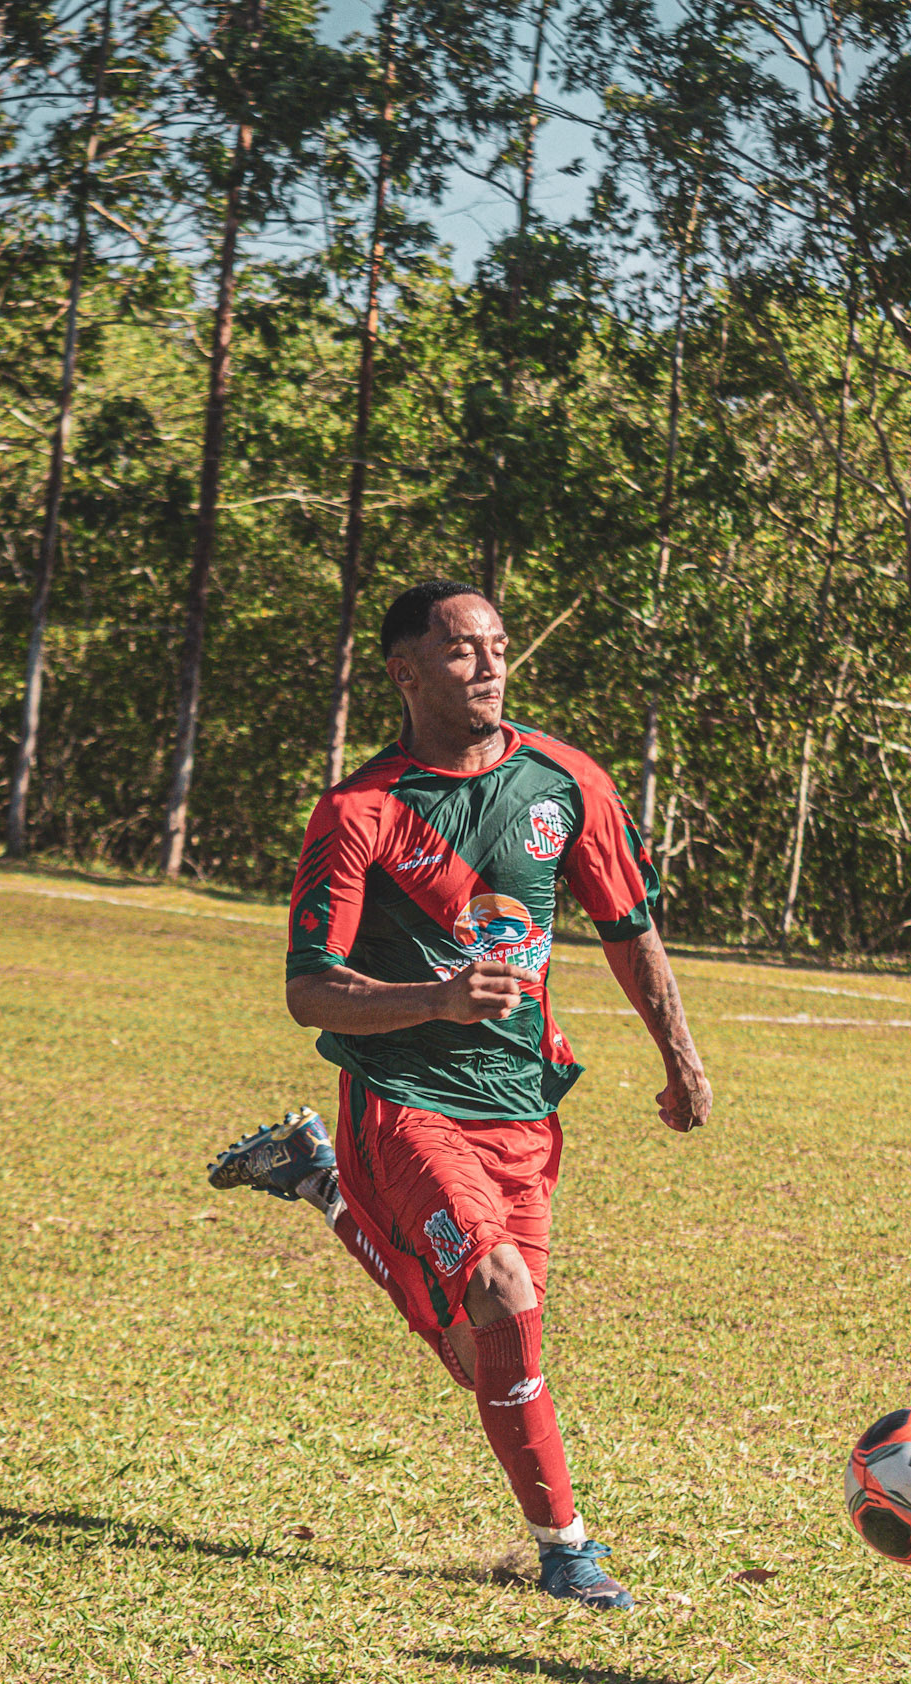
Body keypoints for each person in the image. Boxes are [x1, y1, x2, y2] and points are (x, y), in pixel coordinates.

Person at [208, 580, 712, 1609]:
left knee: (482, 1352)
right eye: (461, 650)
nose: (489, 666)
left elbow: (628, 927)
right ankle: (567, 1552)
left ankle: (319, 1186)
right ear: (405, 673)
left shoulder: (566, 782)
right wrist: (435, 997)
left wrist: (682, 1056)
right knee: (502, 1294)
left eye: (499, 646)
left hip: (523, 1106)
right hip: (402, 1097)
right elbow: (310, 989)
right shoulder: (359, 810)